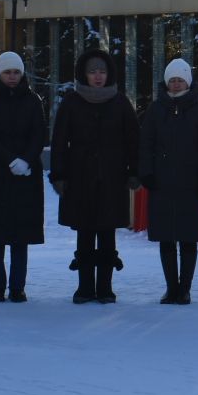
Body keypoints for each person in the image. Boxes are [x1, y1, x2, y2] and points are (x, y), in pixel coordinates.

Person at [49, 48, 139, 304]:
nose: (98, 76)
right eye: (92, 72)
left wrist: (134, 171)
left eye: (102, 71)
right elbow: (58, 141)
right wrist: (59, 175)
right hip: (79, 177)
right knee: (85, 232)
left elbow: (133, 140)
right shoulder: (71, 101)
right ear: (83, 74)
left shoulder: (120, 102)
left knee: (107, 233)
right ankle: (85, 287)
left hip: (112, 177)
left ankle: (106, 288)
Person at [139, 57, 198, 305]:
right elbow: (146, 143)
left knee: (188, 238)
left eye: (180, 79)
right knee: (166, 238)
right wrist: (147, 172)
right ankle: (171, 287)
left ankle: (185, 288)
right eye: (172, 79)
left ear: (188, 82)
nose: (175, 84)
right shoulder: (156, 109)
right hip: (162, 183)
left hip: (190, 183)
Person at [0, 51, 46, 302]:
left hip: (25, 177)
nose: (12, 77)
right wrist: (9, 159)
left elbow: (39, 133)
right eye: (7, 72)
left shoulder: (33, 100)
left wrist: (26, 159)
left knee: (20, 235)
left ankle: (17, 286)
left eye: (16, 72)